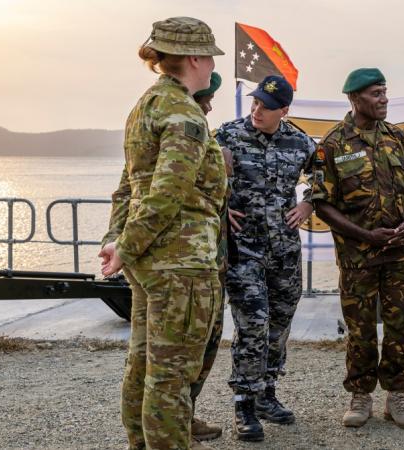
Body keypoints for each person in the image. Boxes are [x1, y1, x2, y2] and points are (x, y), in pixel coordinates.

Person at [98, 17, 226, 450]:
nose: (211, 65)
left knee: (143, 364)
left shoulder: (146, 105)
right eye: (209, 57)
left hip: (151, 261)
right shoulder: (183, 112)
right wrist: (124, 246)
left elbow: (128, 188)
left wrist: (118, 242)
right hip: (181, 263)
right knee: (172, 376)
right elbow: (169, 193)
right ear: (194, 57)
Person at [312, 68, 404, 430]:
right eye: (376, 94)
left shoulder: (396, 138)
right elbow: (322, 204)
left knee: (401, 325)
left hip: (400, 254)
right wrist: (364, 235)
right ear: (355, 99)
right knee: (360, 329)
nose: (384, 99)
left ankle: (397, 394)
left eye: (385, 92)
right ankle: (360, 394)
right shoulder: (332, 145)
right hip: (359, 256)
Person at [214, 75, 316, 442]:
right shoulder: (226, 136)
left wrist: (308, 202)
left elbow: (325, 177)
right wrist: (221, 207)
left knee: (279, 324)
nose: (257, 111)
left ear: (283, 111)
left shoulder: (300, 141)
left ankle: (266, 395)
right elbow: (200, 177)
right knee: (253, 323)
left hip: (284, 251)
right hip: (245, 250)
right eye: (255, 103)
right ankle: (243, 403)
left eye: (266, 107)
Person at [187, 71, 229, 441]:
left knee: (207, 344)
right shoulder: (184, 138)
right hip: (189, 265)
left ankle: (187, 415)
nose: (209, 106)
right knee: (184, 351)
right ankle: (174, 423)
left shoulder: (208, 143)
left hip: (214, 264)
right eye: (205, 100)